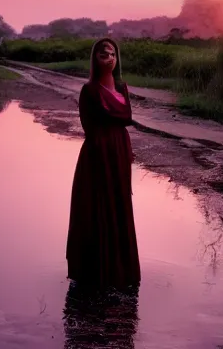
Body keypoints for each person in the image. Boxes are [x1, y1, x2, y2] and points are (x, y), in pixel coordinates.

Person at [66, 38, 141, 290]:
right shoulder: (89, 90)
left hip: (119, 151)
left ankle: (121, 268)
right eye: (102, 54)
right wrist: (104, 148)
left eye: (112, 54)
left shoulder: (122, 87)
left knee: (119, 204)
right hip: (98, 154)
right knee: (98, 206)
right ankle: (96, 271)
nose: (109, 58)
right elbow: (89, 127)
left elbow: (127, 117)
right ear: (94, 59)